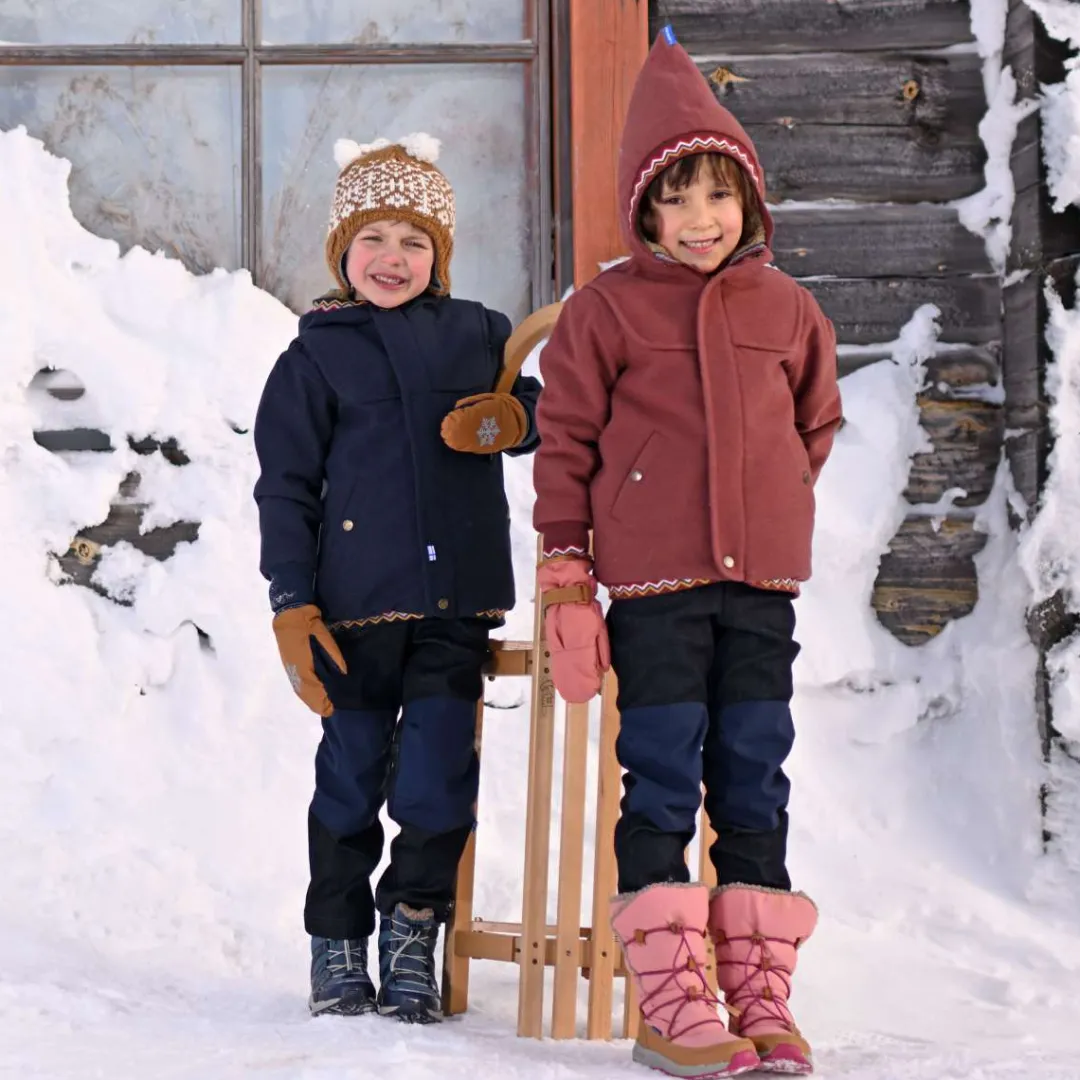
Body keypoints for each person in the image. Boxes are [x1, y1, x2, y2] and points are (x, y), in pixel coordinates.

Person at [532, 30, 841, 1078]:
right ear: (644, 209)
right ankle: (671, 998)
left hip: (760, 589)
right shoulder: (605, 309)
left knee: (754, 779)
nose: (700, 220)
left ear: (748, 201)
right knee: (662, 779)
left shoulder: (790, 309)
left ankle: (758, 994)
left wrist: (774, 498)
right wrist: (569, 572)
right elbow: (566, 442)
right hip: (656, 592)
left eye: (718, 196)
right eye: (676, 199)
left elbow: (814, 424)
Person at [253, 133, 540, 1024]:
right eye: (374, 238)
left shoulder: (481, 333)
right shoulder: (314, 358)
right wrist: (291, 602)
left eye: (415, 241)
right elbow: (285, 486)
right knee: (348, 781)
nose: (393, 258)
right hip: (352, 613)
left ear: (441, 257)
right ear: (343, 251)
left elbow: (532, 412)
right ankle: (337, 943)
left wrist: (506, 422)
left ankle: (413, 929)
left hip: (454, 607)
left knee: (434, 782)